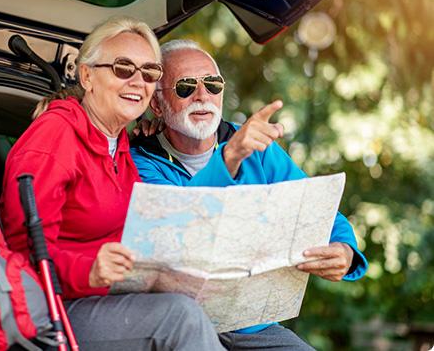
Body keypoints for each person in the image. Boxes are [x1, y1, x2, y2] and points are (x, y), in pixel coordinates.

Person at [0, 19, 227, 351]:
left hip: (108, 295)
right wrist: (88, 269)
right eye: (123, 68)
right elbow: (22, 251)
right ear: (87, 75)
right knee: (180, 318)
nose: (138, 81)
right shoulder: (54, 138)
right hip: (52, 308)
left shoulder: (119, 142)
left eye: (149, 73)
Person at [130, 39, 369, 350]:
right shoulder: (139, 161)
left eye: (213, 85)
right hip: (180, 323)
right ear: (158, 104)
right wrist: (229, 158)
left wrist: (345, 251)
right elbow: (180, 228)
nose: (203, 96)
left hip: (251, 326)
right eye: (185, 87)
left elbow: (313, 208)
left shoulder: (257, 147)